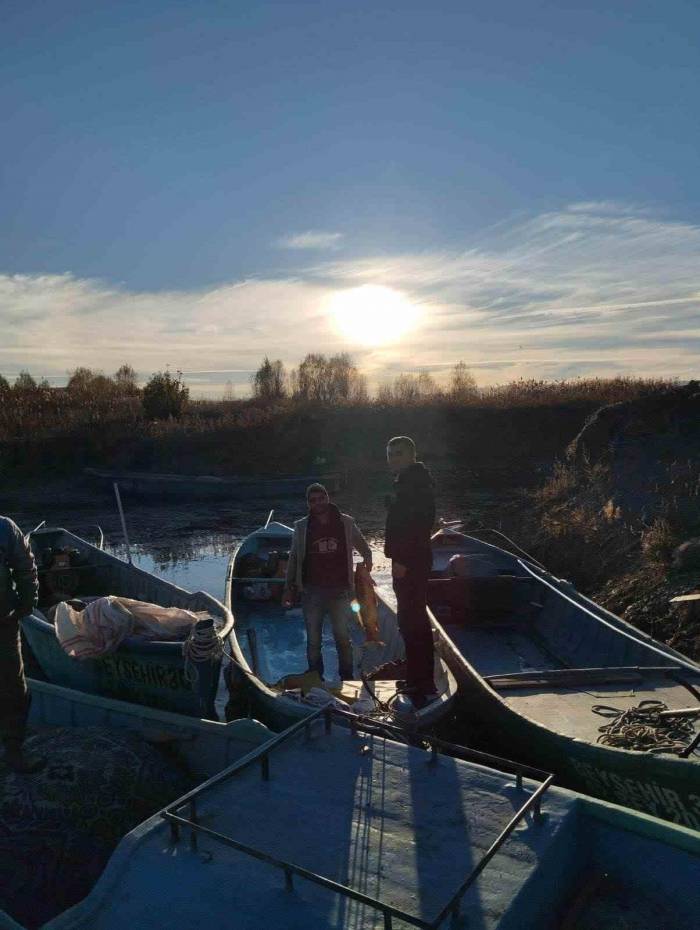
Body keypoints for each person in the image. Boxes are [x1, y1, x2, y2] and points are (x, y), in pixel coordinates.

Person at [283, 484, 372, 682]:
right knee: (313, 640)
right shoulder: (301, 526)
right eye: (312, 500)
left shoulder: (346, 522)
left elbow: (362, 544)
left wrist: (368, 557)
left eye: (320, 498)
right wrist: (288, 587)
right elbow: (294, 558)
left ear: (327, 498)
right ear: (308, 504)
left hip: (340, 590)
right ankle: (315, 676)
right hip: (312, 591)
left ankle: (347, 676)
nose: (317, 503)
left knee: (342, 637)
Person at [384, 436, 437, 708]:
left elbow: (418, 525)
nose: (394, 458)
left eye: (399, 453)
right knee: (410, 620)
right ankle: (417, 677)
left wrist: (401, 560)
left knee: (412, 621)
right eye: (391, 454)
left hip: (411, 562)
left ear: (412, 456)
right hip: (410, 560)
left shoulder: (415, 485)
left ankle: (422, 683)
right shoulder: (407, 482)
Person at [1, 514, 44, 773]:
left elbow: (26, 570)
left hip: (3, 625)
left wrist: (26, 604)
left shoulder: (5, 528)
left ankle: (14, 751)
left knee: (15, 691)